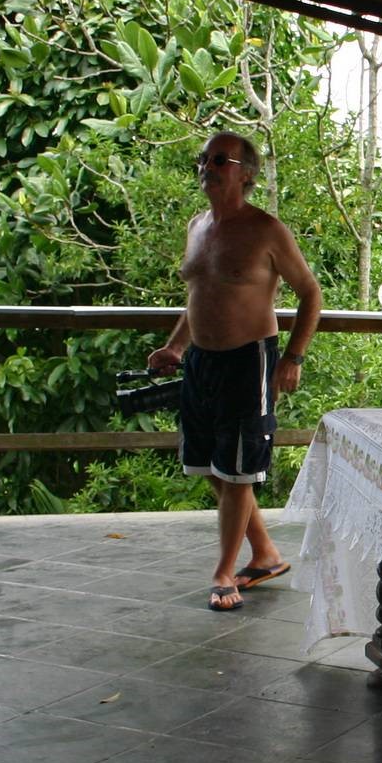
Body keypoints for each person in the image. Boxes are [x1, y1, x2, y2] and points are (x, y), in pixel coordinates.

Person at [148, 132, 321, 611]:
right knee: (211, 465)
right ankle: (264, 553)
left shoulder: (266, 230)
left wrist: (293, 357)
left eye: (218, 159)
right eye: (203, 158)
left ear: (246, 173)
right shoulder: (197, 225)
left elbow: (311, 293)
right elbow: (198, 295)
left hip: (250, 359)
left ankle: (225, 572)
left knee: (240, 469)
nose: (206, 166)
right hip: (201, 362)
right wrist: (175, 346)